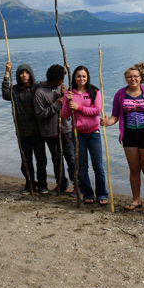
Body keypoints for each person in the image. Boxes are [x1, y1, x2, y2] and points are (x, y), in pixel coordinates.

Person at [101, 63, 144, 212]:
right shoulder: (120, 94)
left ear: (141, 78)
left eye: (135, 76)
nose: (132, 79)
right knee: (134, 169)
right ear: (126, 78)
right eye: (129, 76)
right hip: (128, 136)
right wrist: (107, 123)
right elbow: (115, 115)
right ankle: (136, 200)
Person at [62, 65, 108, 205]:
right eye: (78, 76)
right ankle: (87, 193)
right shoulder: (69, 93)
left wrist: (79, 108)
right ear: (74, 78)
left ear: (87, 77)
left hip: (94, 132)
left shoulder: (94, 91)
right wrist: (67, 102)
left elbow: (96, 111)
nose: (81, 78)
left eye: (83, 76)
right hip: (78, 134)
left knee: (98, 166)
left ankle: (101, 194)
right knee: (82, 167)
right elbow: (64, 115)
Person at [2, 61, 48, 195]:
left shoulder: (37, 88)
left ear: (31, 74)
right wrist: (6, 72)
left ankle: (43, 184)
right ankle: (29, 184)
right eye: (21, 73)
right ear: (18, 75)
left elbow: (51, 86)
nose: (24, 75)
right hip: (22, 132)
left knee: (41, 160)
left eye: (26, 72)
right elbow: (5, 94)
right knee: (26, 161)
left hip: (38, 131)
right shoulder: (15, 90)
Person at [34, 64, 76, 196]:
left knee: (72, 159)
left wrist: (66, 97)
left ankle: (78, 185)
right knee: (57, 160)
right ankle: (62, 185)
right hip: (50, 133)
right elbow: (40, 114)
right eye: (60, 79)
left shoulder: (62, 88)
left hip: (65, 130)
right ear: (54, 79)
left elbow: (71, 107)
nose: (62, 81)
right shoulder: (40, 93)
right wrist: (57, 104)